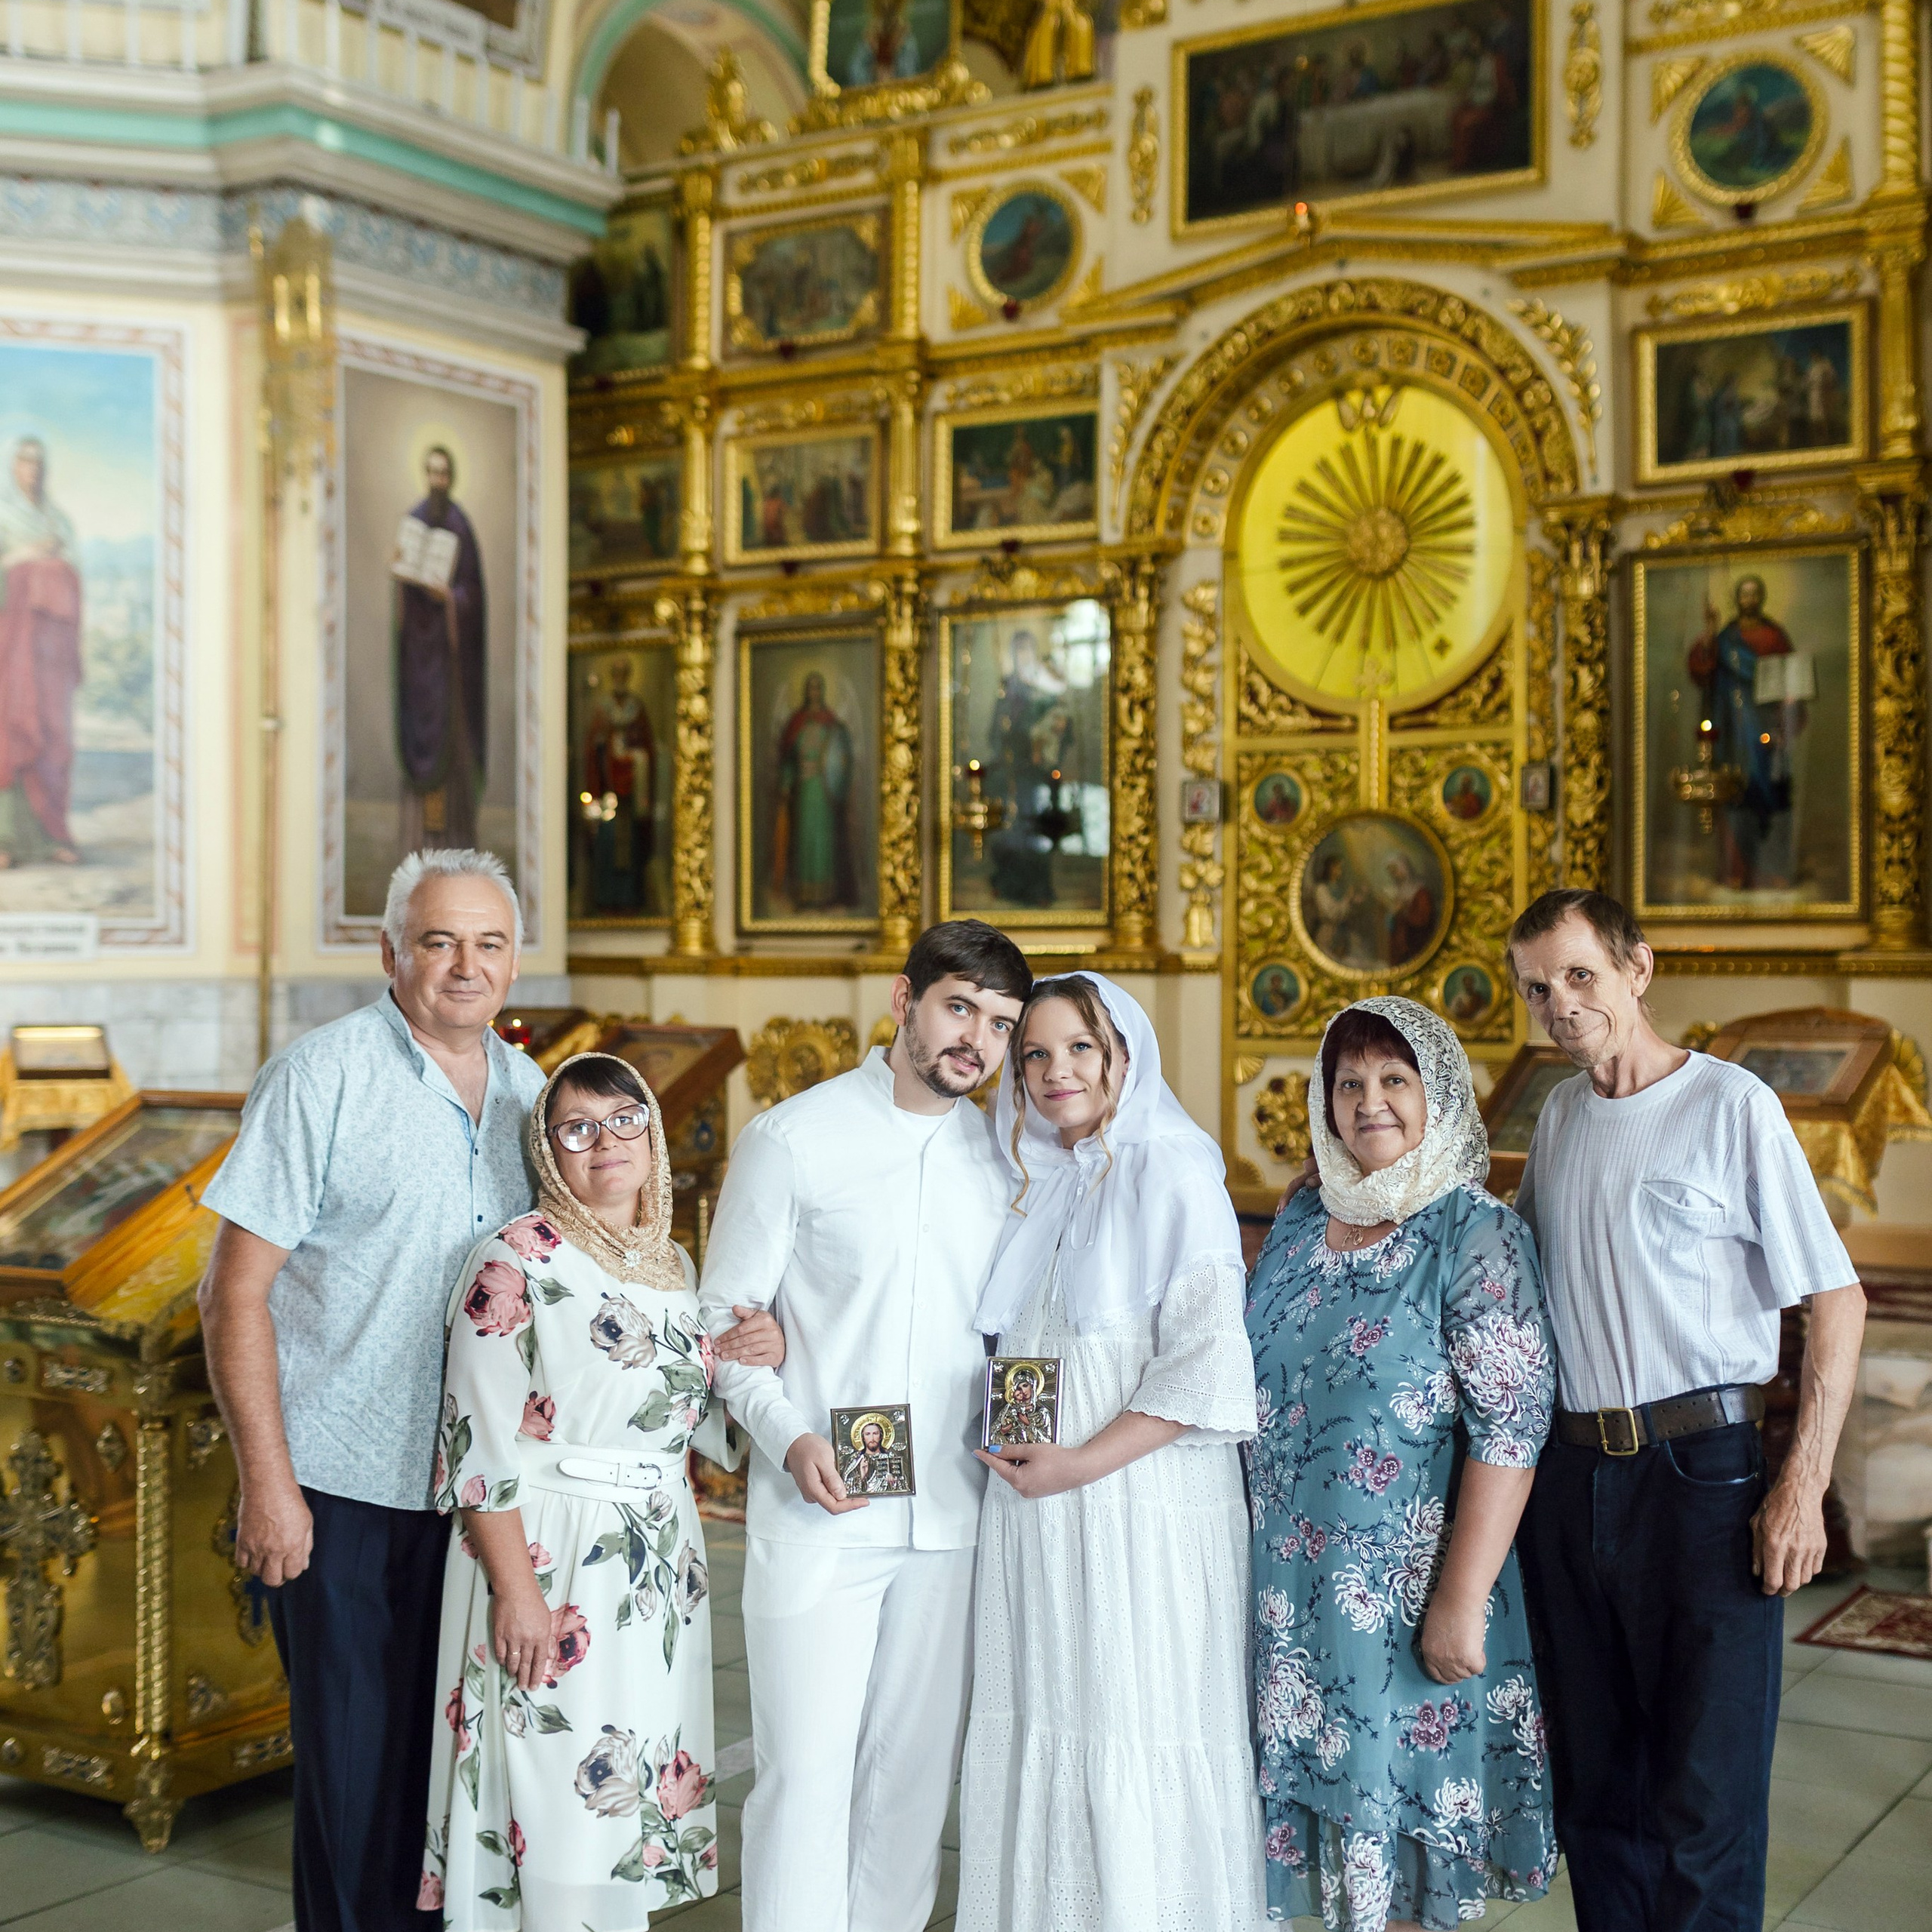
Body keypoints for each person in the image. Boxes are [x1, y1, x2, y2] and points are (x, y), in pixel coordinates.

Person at [198, 850, 545, 1932]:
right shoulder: (322, 1077)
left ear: (514, 961)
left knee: (452, 1793)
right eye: (439, 940)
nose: (463, 965)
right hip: (338, 1494)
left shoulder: (533, 1096)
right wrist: (269, 1486)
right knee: (354, 1796)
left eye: (488, 944)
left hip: (475, 1498)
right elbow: (230, 1295)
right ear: (391, 951)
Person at [1506, 888, 1865, 1932]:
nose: (1561, 1005)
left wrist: (1800, 1487)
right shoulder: (1561, 1116)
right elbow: (1518, 1278)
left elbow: (1835, 1299)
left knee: (1703, 1801)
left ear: (1638, 969)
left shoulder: (1730, 1105)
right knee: (1600, 1796)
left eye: (1579, 976)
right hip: (1573, 1480)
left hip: (1701, 1472)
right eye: (1539, 989)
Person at [699, 918, 1033, 1932]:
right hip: (823, 1507)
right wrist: (788, 1433)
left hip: (960, 1513)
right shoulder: (792, 1139)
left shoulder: (1012, 1153)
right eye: (959, 1007)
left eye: (1001, 1023)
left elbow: (1023, 1326)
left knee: (912, 1781)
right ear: (905, 1002)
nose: (976, 1039)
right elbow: (720, 1321)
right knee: (804, 1774)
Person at [420, 1051, 781, 1927]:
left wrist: (752, 1351)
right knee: (553, 1789)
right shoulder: (512, 1259)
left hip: (654, 1567)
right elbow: (478, 1442)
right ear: (548, 1150)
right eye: (576, 1128)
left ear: (652, 1136)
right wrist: (519, 1594)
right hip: (549, 1555)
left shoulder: (673, 1266)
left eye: (624, 1121)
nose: (604, 1143)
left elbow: (689, 1425)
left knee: (626, 1784)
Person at [958, 972, 1266, 1932]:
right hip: (1046, 1511)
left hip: (1139, 1511)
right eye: (1036, 1053)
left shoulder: (1171, 1168)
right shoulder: (1049, 1183)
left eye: (1080, 1048)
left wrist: (1075, 1465)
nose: (1056, 1072)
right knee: (1056, 1717)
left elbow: (1205, 1369)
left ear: (1125, 1054)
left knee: (1135, 1719)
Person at [1244, 996, 1556, 1930]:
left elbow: (1511, 1431)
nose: (1368, 1101)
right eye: (1348, 1083)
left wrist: (1459, 1604)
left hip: (1409, 1606)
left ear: (1440, 1094)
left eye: (1393, 1079)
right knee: (1325, 1854)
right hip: (1286, 1601)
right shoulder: (1302, 1217)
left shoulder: (1477, 1233)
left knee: (1399, 1867)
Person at [395, 445, 487, 853]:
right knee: (421, 733)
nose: (438, 481)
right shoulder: (413, 521)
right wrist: (400, 571)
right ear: (425, 475)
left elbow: (474, 593)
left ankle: (453, 839)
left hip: (449, 659)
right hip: (419, 656)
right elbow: (403, 597)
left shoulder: (460, 526)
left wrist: (451, 598)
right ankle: (420, 839)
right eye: (431, 473)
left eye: (444, 473)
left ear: (451, 477)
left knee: (451, 743)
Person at [0, 435, 82, 868]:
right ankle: (7, 841)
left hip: (51, 648)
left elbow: (73, 566)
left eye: (38, 463)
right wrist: (22, 558)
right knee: (12, 730)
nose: (32, 471)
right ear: (14, 469)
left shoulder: (57, 519)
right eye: (24, 463)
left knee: (53, 735)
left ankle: (52, 837)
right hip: (11, 641)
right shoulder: (3, 516)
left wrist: (53, 563)